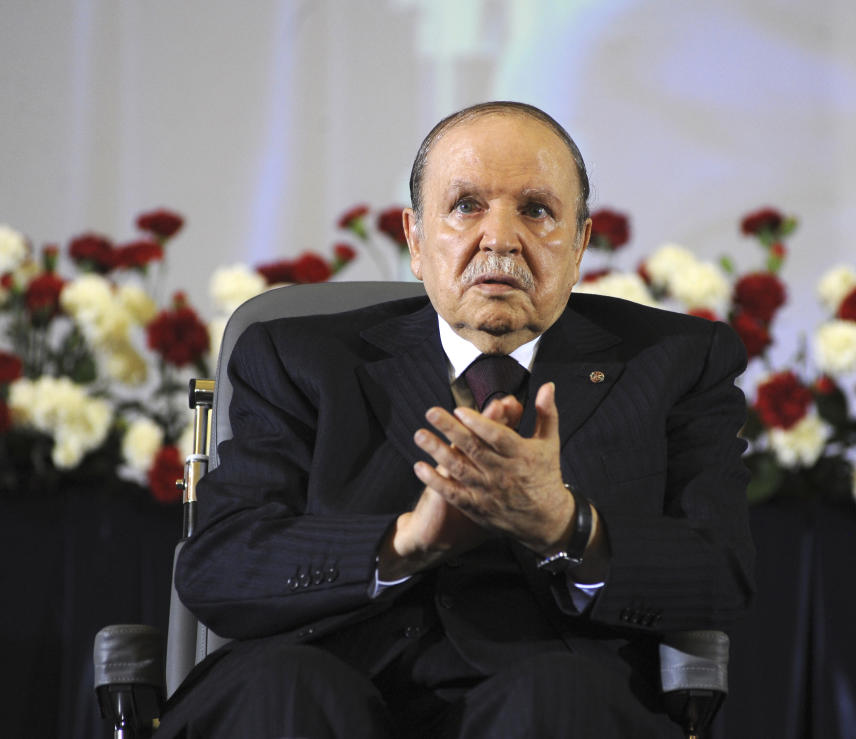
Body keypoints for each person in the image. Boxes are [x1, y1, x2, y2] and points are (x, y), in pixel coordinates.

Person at [156, 101, 755, 738]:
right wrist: (403, 544)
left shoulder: (675, 362)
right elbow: (219, 566)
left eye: (536, 209)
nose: (499, 238)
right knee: (286, 691)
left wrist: (567, 526)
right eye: (467, 205)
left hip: (550, 690)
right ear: (416, 240)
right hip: (323, 677)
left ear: (579, 243)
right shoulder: (299, 358)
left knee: (559, 700)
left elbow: (718, 575)